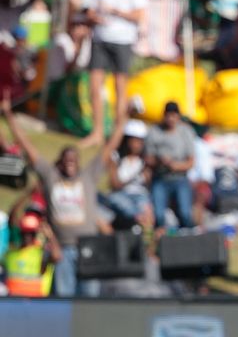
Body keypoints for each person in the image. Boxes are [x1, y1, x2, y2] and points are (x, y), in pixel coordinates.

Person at [2, 88, 122, 297]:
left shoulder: (87, 178)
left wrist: (122, 120)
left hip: (88, 248)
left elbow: (110, 146)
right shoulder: (51, 178)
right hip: (63, 250)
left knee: (90, 301)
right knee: (65, 300)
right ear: (60, 162)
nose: (70, 164)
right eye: (66, 160)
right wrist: (9, 114)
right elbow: (27, 147)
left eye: (73, 160)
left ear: (78, 162)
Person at [81, 0, 148, 148]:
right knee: (94, 86)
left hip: (123, 39)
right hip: (101, 37)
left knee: (120, 88)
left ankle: (118, 133)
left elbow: (140, 14)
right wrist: (95, 17)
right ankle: (97, 132)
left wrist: (117, 12)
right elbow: (88, 8)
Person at [144, 101, 196, 229]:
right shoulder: (154, 132)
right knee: (159, 215)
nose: (171, 119)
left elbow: (191, 162)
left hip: (180, 178)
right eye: (168, 115)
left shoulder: (186, 132)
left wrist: (175, 165)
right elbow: (147, 158)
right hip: (161, 178)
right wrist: (160, 161)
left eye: (174, 115)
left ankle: (189, 239)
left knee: (185, 214)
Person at [106, 119, 153, 230]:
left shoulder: (145, 161)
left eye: (141, 141)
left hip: (140, 195)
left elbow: (147, 182)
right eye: (135, 140)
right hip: (120, 195)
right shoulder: (116, 158)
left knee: (148, 212)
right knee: (131, 209)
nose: (138, 144)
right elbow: (115, 184)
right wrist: (134, 177)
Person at [3, 212, 62, 297]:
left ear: (35, 234)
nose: (27, 236)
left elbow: (57, 256)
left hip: (36, 302)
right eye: (25, 233)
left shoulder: (40, 253)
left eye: (31, 233)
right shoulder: (10, 254)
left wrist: (50, 235)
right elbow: (12, 219)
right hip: (12, 301)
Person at [48, 12, 92, 83]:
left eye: (82, 24)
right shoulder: (61, 40)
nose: (77, 28)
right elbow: (67, 71)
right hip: (59, 83)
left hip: (81, 81)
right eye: (75, 24)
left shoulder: (89, 42)